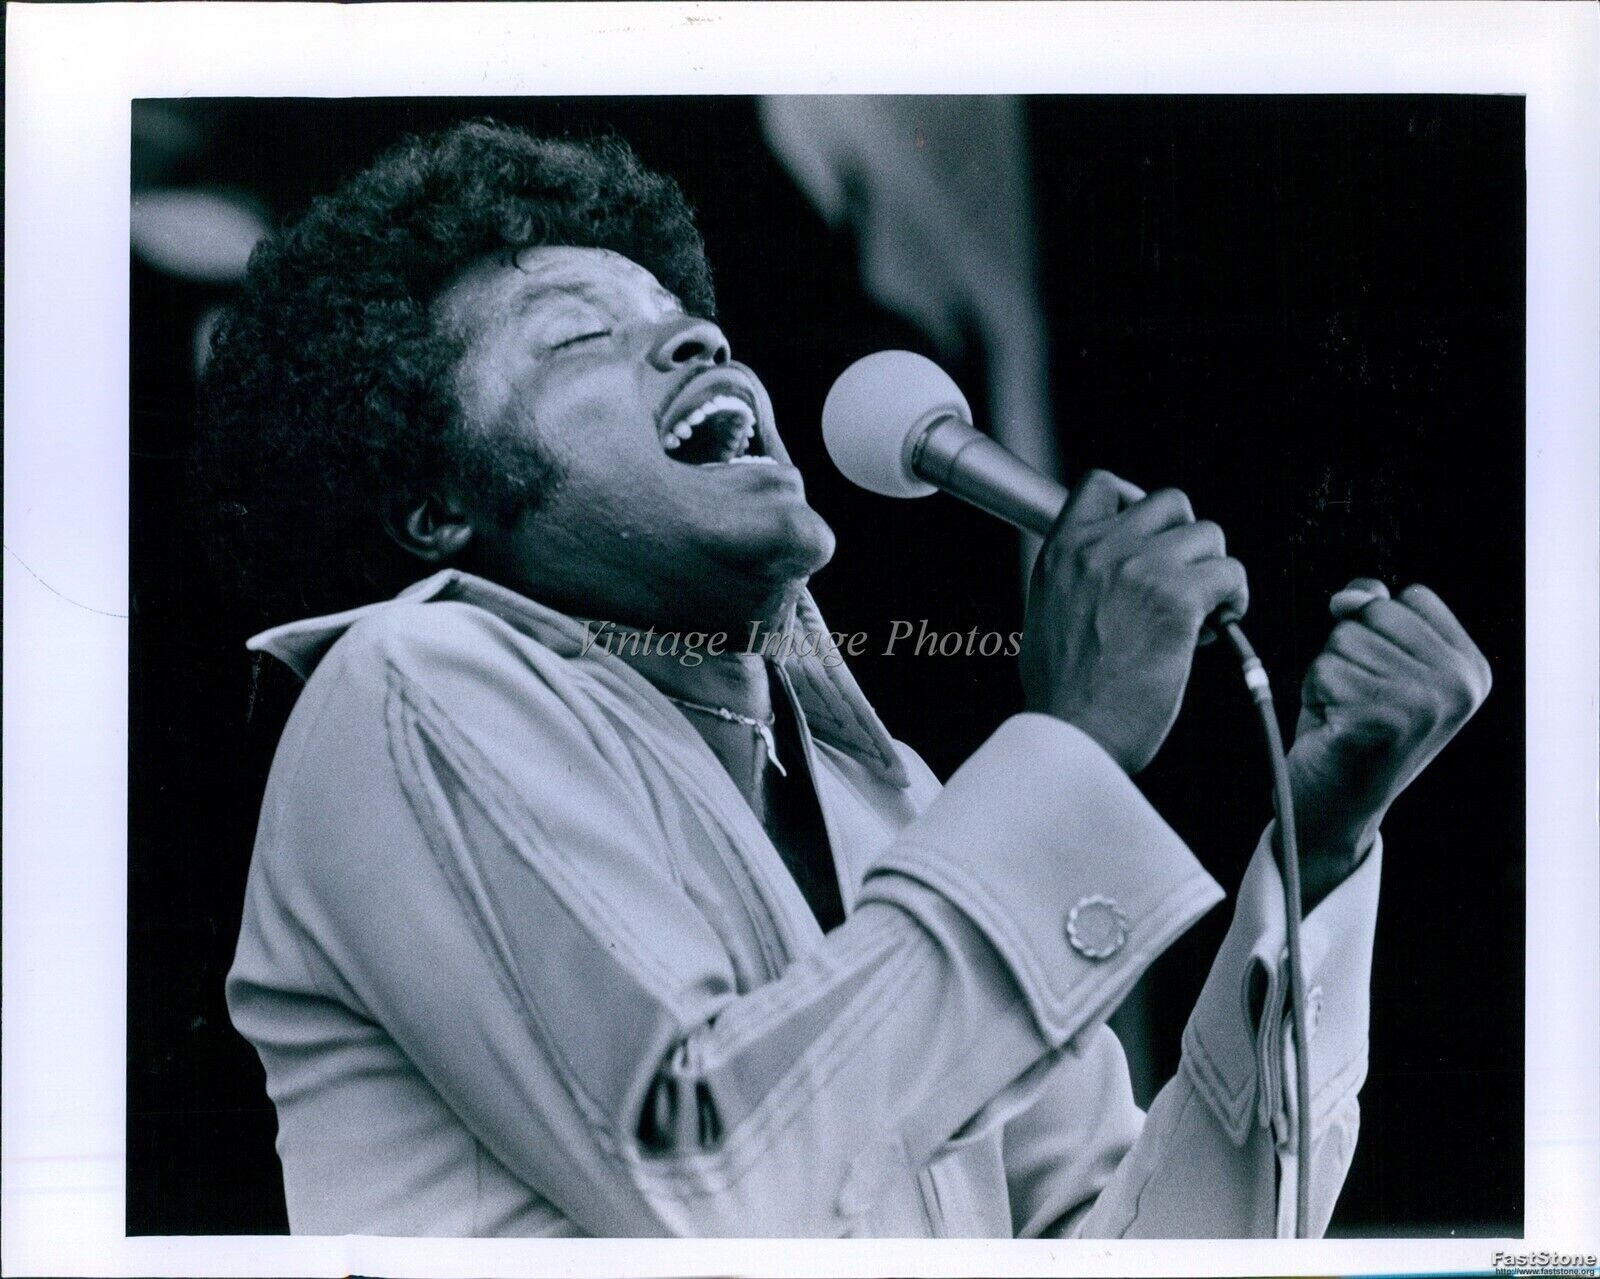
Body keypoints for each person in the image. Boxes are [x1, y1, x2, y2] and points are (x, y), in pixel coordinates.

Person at [205, 121, 1490, 1238]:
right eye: (583, 336)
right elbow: (716, 1191)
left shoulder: (894, 804)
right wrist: (1074, 751)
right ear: (433, 503)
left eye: (684, 319)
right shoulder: (410, 681)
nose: (697, 339)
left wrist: (1314, 849)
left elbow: (1155, 1246)